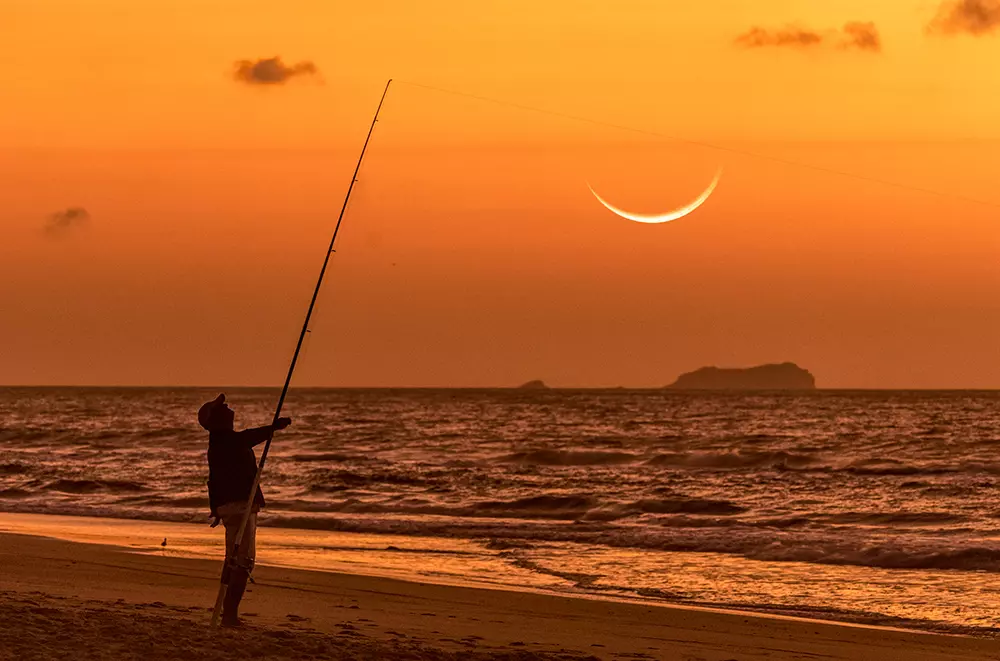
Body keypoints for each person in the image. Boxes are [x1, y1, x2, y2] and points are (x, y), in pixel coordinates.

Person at [198, 393, 291, 627]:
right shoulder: (223, 440)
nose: (228, 407)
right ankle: (229, 615)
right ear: (217, 420)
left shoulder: (222, 442)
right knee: (242, 561)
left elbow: (213, 480)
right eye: (222, 407)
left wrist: (215, 508)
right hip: (239, 506)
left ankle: (228, 612)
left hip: (236, 506)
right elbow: (248, 438)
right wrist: (273, 428)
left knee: (235, 559)